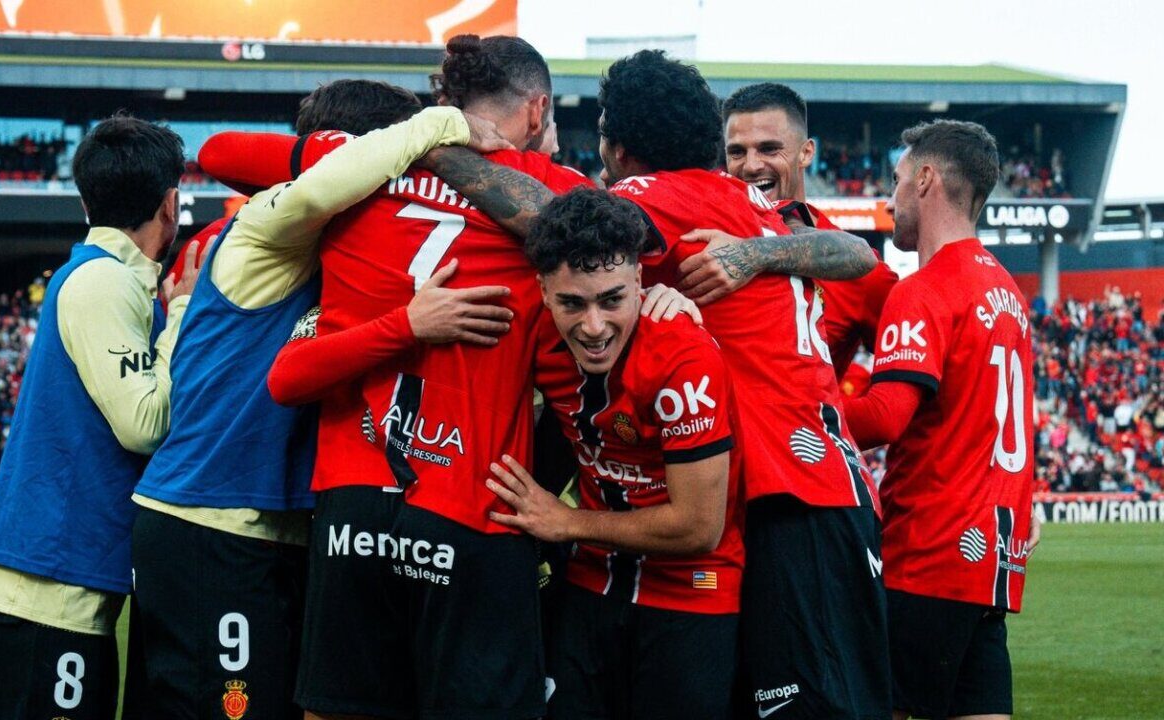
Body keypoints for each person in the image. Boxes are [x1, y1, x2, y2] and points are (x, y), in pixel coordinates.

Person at [129, 88, 511, 719]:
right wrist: (437, 124)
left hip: (265, 526)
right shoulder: (264, 226)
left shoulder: (345, 251)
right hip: (210, 521)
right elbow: (274, 172)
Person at [253, 34, 589, 720]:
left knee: (339, 707)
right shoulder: (547, 187)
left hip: (352, 500)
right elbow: (640, 236)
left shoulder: (363, 164)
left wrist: (419, 145)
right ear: (538, 109)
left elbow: (217, 152)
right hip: (474, 501)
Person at [596, 51, 889, 719]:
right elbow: (853, 252)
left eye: (767, 147)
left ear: (618, 148)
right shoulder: (749, 204)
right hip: (810, 494)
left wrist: (438, 150)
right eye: (737, 146)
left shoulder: (663, 198)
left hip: (793, 496)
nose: (752, 161)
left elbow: (560, 228)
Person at [0, 114, 199, 720]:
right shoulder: (103, 282)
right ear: (170, 203)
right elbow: (144, 422)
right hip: (44, 591)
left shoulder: (109, 280)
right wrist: (183, 317)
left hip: (54, 587)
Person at [483, 188, 743, 719]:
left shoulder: (682, 357)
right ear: (543, 291)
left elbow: (699, 526)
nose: (594, 327)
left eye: (612, 300)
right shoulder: (532, 330)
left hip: (694, 593)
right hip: (590, 584)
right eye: (572, 303)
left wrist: (566, 522)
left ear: (641, 285)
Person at [843, 120, 1036, 720]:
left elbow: (884, 418)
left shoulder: (923, 290)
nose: (889, 198)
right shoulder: (1009, 294)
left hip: (927, 555)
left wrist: (796, 402)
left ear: (925, 179)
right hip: (992, 566)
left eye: (897, 181)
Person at [713, 82, 899, 378]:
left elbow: (914, 380)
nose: (750, 166)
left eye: (769, 149)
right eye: (736, 152)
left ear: (806, 153)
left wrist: (831, 414)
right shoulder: (705, 241)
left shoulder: (863, 274)